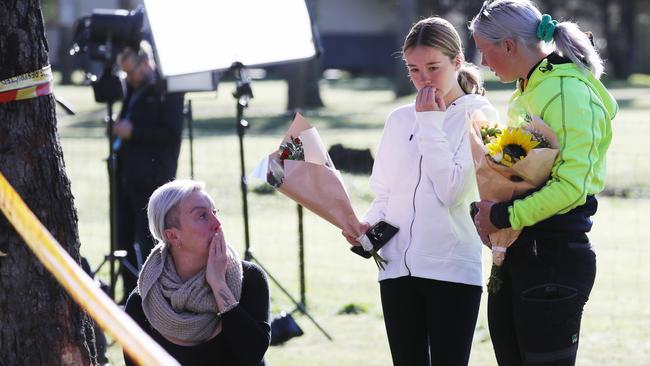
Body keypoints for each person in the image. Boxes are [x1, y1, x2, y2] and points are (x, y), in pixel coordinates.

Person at [343, 17, 499, 365]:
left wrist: (430, 123)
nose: (423, 79)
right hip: (396, 269)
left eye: (433, 67)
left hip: (451, 270)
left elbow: (451, 192)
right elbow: (383, 192)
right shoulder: (398, 119)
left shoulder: (482, 117)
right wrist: (367, 226)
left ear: (458, 62)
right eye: (414, 70)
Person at [469, 1, 617, 365]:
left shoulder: (566, 91)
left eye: (485, 52)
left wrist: (502, 215)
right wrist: (488, 208)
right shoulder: (530, 86)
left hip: (553, 257)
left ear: (507, 45)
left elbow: (571, 187)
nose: (484, 63)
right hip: (521, 252)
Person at [123, 179, 270, 366]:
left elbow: (252, 354)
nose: (217, 223)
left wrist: (218, 284)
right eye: (202, 216)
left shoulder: (249, 279)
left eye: (214, 212)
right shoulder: (143, 303)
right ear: (173, 236)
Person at [113, 40, 185, 302]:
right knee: (122, 238)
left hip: (153, 178)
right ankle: (129, 296)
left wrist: (134, 132)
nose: (128, 78)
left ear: (146, 63)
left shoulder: (168, 88)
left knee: (149, 241)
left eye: (131, 72)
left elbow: (171, 132)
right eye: (124, 74)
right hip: (126, 175)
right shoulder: (133, 90)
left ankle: (154, 298)